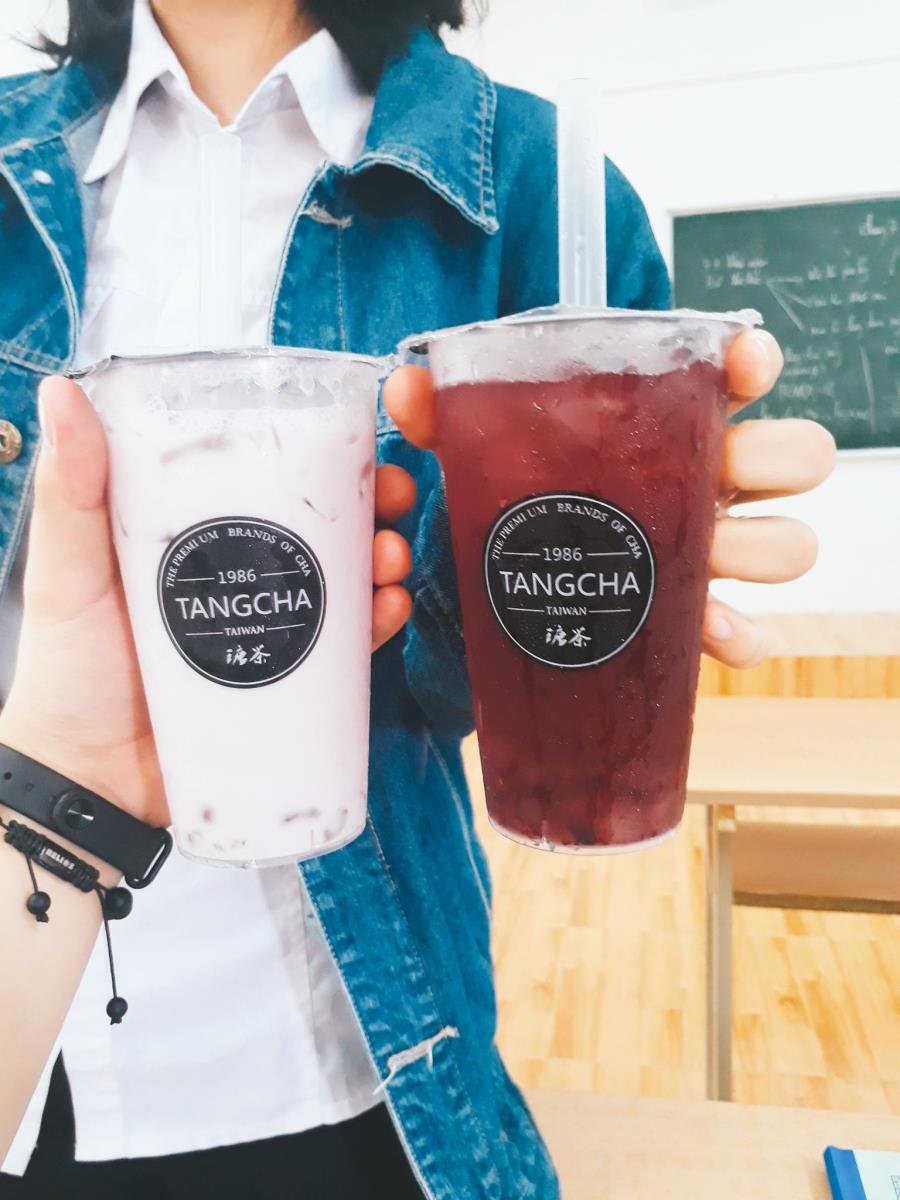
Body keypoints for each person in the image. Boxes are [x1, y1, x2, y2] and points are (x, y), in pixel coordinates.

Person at [0, 1, 835, 1197]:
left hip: (367, 1061)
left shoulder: (528, 172)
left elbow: (465, 667)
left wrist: (553, 591)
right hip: (31, 1045)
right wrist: (58, 785)